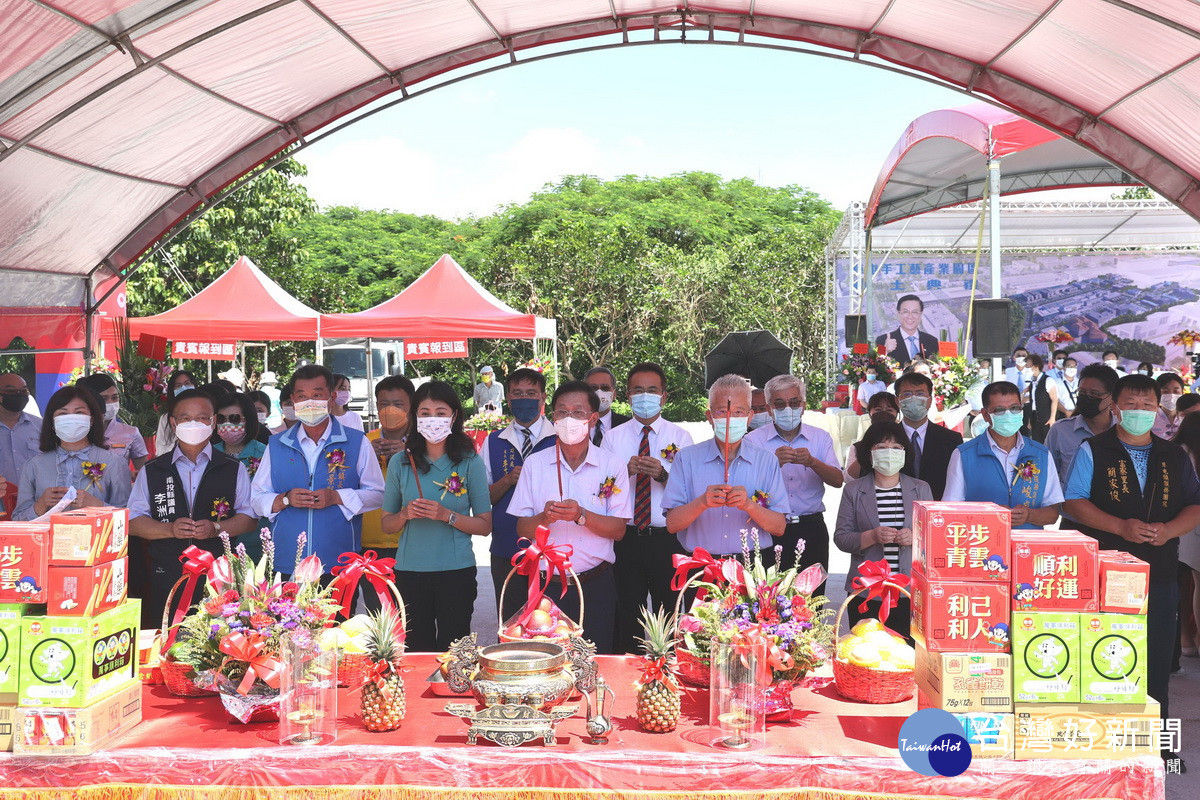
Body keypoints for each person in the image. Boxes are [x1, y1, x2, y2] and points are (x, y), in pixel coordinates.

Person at [1063, 374, 1200, 760]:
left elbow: (1194, 504)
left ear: (1158, 409)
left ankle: (1163, 751)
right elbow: (1073, 502)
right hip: (1108, 568)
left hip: (1159, 570)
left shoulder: (1174, 454)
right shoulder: (1093, 449)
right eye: (1131, 405)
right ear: (1115, 407)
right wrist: (1120, 526)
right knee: (1105, 652)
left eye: (1147, 406)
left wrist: (1170, 529)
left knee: (1157, 658)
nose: (1139, 412)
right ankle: (1107, 746)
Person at [510, 381, 632, 653]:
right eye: (561, 412)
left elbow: (619, 530)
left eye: (577, 412)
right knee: (547, 661)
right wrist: (545, 516)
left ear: (593, 418)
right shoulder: (535, 463)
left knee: (596, 660)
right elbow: (522, 528)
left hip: (595, 583)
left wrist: (582, 515)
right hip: (545, 586)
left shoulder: (611, 465)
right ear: (552, 417)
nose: (568, 419)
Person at [128, 388, 255, 629]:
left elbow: (249, 518)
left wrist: (216, 528)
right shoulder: (153, 470)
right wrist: (170, 530)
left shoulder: (232, 468)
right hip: (167, 574)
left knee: (217, 644)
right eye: (185, 418)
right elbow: (133, 522)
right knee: (167, 643)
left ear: (214, 421)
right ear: (173, 422)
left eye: (202, 418)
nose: (193, 424)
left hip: (218, 577)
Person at [380, 382, 492, 652]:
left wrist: (447, 515)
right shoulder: (401, 462)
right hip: (410, 571)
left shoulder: (469, 461)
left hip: (456, 572)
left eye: (440, 412)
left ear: (454, 417)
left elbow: (485, 525)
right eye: (425, 412)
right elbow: (386, 524)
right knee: (416, 650)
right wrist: (405, 514)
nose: (433, 420)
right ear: (415, 417)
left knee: (454, 653)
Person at [249, 365, 385, 575]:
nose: (309, 402)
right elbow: (257, 500)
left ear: (331, 397)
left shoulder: (357, 441)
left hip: (339, 563)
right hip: (286, 562)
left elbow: (378, 495)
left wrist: (338, 497)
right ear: (293, 400)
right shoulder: (277, 445)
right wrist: (285, 499)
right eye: (302, 396)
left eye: (317, 395)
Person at [601, 362, 695, 654]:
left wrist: (664, 475)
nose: (645, 396)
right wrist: (623, 474)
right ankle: (630, 679)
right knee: (628, 615)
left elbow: (691, 492)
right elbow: (600, 492)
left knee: (671, 614)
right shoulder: (612, 438)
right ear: (627, 396)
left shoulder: (680, 438)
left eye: (652, 390)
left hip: (668, 539)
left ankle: (668, 676)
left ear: (664, 396)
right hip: (626, 539)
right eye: (638, 390)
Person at [663, 374, 789, 563]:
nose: (730, 418)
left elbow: (779, 527)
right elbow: (672, 524)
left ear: (750, 417)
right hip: (700, 564)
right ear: (710, 417)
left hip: (751, 565)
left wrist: (749, 505)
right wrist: (702, 503)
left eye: (739, 412)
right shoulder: (686, 458)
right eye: (722, 411)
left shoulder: (766, 461)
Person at [834, 419, 932, 640]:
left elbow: (936, 538)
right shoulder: (854, 490)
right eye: (881, 447)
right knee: (866, 655)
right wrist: (872, 536)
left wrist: (915, 539)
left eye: (896, 448)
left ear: (905, 453)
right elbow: (841, 538)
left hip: (910, 591)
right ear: (869, 454)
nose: (890, 452)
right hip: (866, 592)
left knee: (908, 658)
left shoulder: (921, 489)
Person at [743, 374, 842, 577]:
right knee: (766, 598)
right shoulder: (753, 441)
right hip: (767, 527)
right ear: (770, 409)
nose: (788, 409)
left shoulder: (820, 437)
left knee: (812, 600)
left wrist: (813, 462)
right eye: (779, 404)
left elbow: (837, 481)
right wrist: (773, 463)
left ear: (803, 405)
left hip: (810, 527)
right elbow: (744, 486)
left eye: (794, 402)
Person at [479, 367, 556, 620]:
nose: (525, 398)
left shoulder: (559, 439)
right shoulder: (493, 441)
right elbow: (483, 498)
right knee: (511, 622)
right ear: (508, 399)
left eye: (531, 393)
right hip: (507, 547)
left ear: (543, 397)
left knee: (552, 623)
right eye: (518, 393)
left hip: (552, 549)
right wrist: (508, 480)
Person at [943, 381, 1063, 529]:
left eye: (1014, 408)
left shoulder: (1041, 454)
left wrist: (1029, 515)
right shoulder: (964, 455)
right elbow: (950, 511)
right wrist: (989, 514)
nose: (1008, 415)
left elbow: (1052, 513)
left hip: (1027, 547)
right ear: (986, 415)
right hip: (982, 545)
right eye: (999, 410)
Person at [13, 385, 132, 520]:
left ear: (91, 419)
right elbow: (17, 520)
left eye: (79, 412)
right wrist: (40, 505)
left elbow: (129, 518)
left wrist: (97, 506)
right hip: (47, 540)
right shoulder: (34, 465)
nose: (71, 418)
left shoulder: (113, 463)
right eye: (63, 414)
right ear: (52, 422)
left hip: (96, 540)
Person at [360, 374, 416, 612]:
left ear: (411, 406)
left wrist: (410, 454)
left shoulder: (424, 444)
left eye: (398, 404)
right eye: (384, 404)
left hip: (412, 539)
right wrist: (364, 458)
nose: (389, 410)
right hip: (369, 541)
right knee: (379, 615)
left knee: (413, 613)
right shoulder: (363, 443)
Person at [1044, 363, 1119, 485]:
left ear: (1112, 397)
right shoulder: (1060, 430)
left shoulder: (1123, 431)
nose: (1087, 398)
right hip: (1069, 502)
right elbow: (1046, 474)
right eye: (1082, 392)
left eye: (1094, 394)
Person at [894, 371, 962, 501]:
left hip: (937, 510)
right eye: (907, 394)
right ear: (897, 400)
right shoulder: (886, 438)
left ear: (930, 400)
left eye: (920, 394)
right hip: (896, 510)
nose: (914, 398)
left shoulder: (951, 440)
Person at [75, 373, 150, 471]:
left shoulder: (131, 433)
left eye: (115, 397)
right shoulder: (76, 432)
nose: (110, 403)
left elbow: (144, 473)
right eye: (104, 399)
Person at [1, 373, 41, 513]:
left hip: (35, 506)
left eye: (23, 391)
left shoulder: (41, 427)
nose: (18, 395)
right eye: (11, 391)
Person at [845, 392, 902, 480]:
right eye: (878, 409)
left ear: (897, 413)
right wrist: (866, 450)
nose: (884, 413)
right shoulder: (858, 447)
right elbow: (848, 478)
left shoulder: (904, 443)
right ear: (869, 413)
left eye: (889, 410)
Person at [876, 294, 938, 367]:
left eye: (915, 312)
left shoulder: (932, 341)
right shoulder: (882, 341)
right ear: (898, 314)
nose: (910, 316)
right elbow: (876, 367)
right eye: (905, 312)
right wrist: (885, 351)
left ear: (921, 314)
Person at [583, 367, 630, 445]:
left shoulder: (628, 425)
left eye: (605, 388)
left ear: (614, 394)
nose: (599, 392)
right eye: (593, 388)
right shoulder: (575, 424)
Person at [154, 370, 198, 452]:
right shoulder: (165, 418)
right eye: (178, 385)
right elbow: (160, 449)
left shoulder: (204, 413)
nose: (184, 387)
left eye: (187, 383)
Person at [1025, 354, 1061, 443]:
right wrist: (1030, 420)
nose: (1026, 369)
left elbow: (1054, 399)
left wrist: (1052, 418)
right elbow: (1032, 401)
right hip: (1035, 417)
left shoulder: (1048, 380)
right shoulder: (1032, 382)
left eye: (1028, 366)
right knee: (1037, 441)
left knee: (1048, 441)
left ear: (1035, 367)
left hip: (1046, 417)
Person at [1152, 372, 1186, 440]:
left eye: (1176, 391)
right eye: (1165, 391)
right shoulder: (1150, 416)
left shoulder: (1188, 416)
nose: (1171, 395)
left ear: (1182, 393)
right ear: (1157, 393)